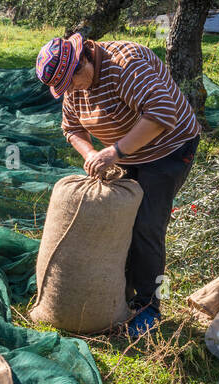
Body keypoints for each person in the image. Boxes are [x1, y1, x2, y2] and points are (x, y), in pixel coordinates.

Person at [36, 33, 201, 337]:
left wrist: (114, 152)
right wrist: (92, 156)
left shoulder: (126, 65)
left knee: (147, 226)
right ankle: (119, 293)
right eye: (65, 88)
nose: (71, 90)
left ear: (83, 58)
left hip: (169, 149)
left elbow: (162, 114)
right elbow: (71, 128)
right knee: (119, 221)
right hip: (124, 152)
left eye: (73, 81)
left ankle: (151, 305)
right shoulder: (74, 82)